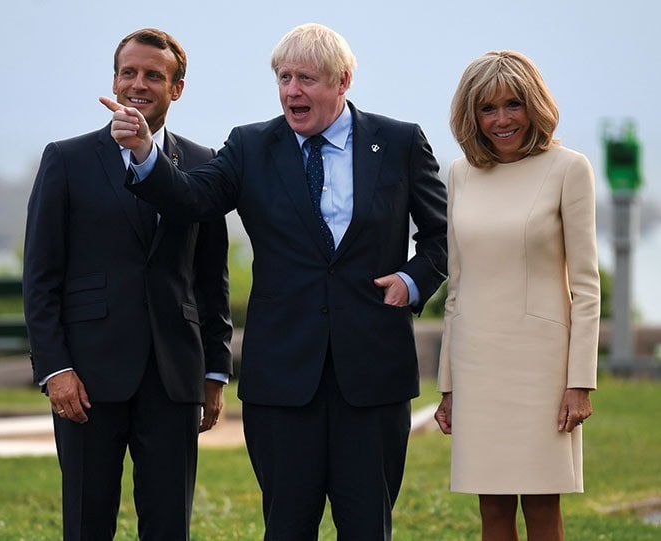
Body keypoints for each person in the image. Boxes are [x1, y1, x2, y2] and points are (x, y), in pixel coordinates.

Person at [103, 23, 447, 540]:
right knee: (285, 528)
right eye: (283, 78)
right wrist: (146, 154)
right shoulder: (250, 146)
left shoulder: (398, 142)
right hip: (282, 383)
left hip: (373, 377)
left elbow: (442, 239)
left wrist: (411, 280)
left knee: (368, 528)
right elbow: (191, 198)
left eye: (306, 78)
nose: (291, 91)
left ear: (343, 81)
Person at [22, 28, 233, 541]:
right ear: (114, 81)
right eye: (128, 72)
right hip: (87, 379)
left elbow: (212, 279)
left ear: (176, 89)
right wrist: (56, 369)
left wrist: (214, 370)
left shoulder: (205, 163)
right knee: (87, 525)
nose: (139, 83)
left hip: (174, 377)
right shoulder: (66, 160)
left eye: (153, 75)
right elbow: (40, 277)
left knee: (168, 527)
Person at [433, 50, 600, 541]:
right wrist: (448, 384)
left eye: (513, 105)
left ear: (534, 106)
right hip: (478, 364)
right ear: (472, 115)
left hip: (542, 369)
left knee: (544, 507)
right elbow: (456, 286)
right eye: (488, 108)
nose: (502, 120)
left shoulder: (570, 169)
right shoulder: (461, 174)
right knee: (493, 508)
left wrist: (580, 382)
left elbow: (586, 286)